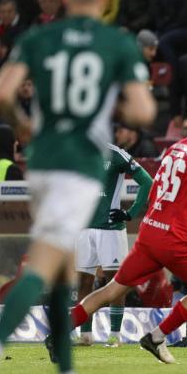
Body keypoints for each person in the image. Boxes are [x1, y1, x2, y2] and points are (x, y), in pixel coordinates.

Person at [0, 0, 157, 374]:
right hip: (79, 165)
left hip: (43, 161)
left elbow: (2, 93)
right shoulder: (116, 42)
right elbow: (144, 111)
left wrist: (24, 124)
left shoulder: (37, 38)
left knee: (67, 272)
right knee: (48, 264)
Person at [60, 101, 187, 365]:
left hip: (151, 233)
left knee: (113, 288)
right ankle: (158, 336)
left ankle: (60, 332)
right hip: (177, 238)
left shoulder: (173, 148)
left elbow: (154, 189)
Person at [73, 142, 153, 347]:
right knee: (83, 282)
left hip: (110, 229)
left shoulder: (116, 154)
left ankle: (115, 335)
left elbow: (147, 182)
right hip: (84, 228)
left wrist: (130, 213)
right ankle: (85, 335)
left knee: (116, 283)